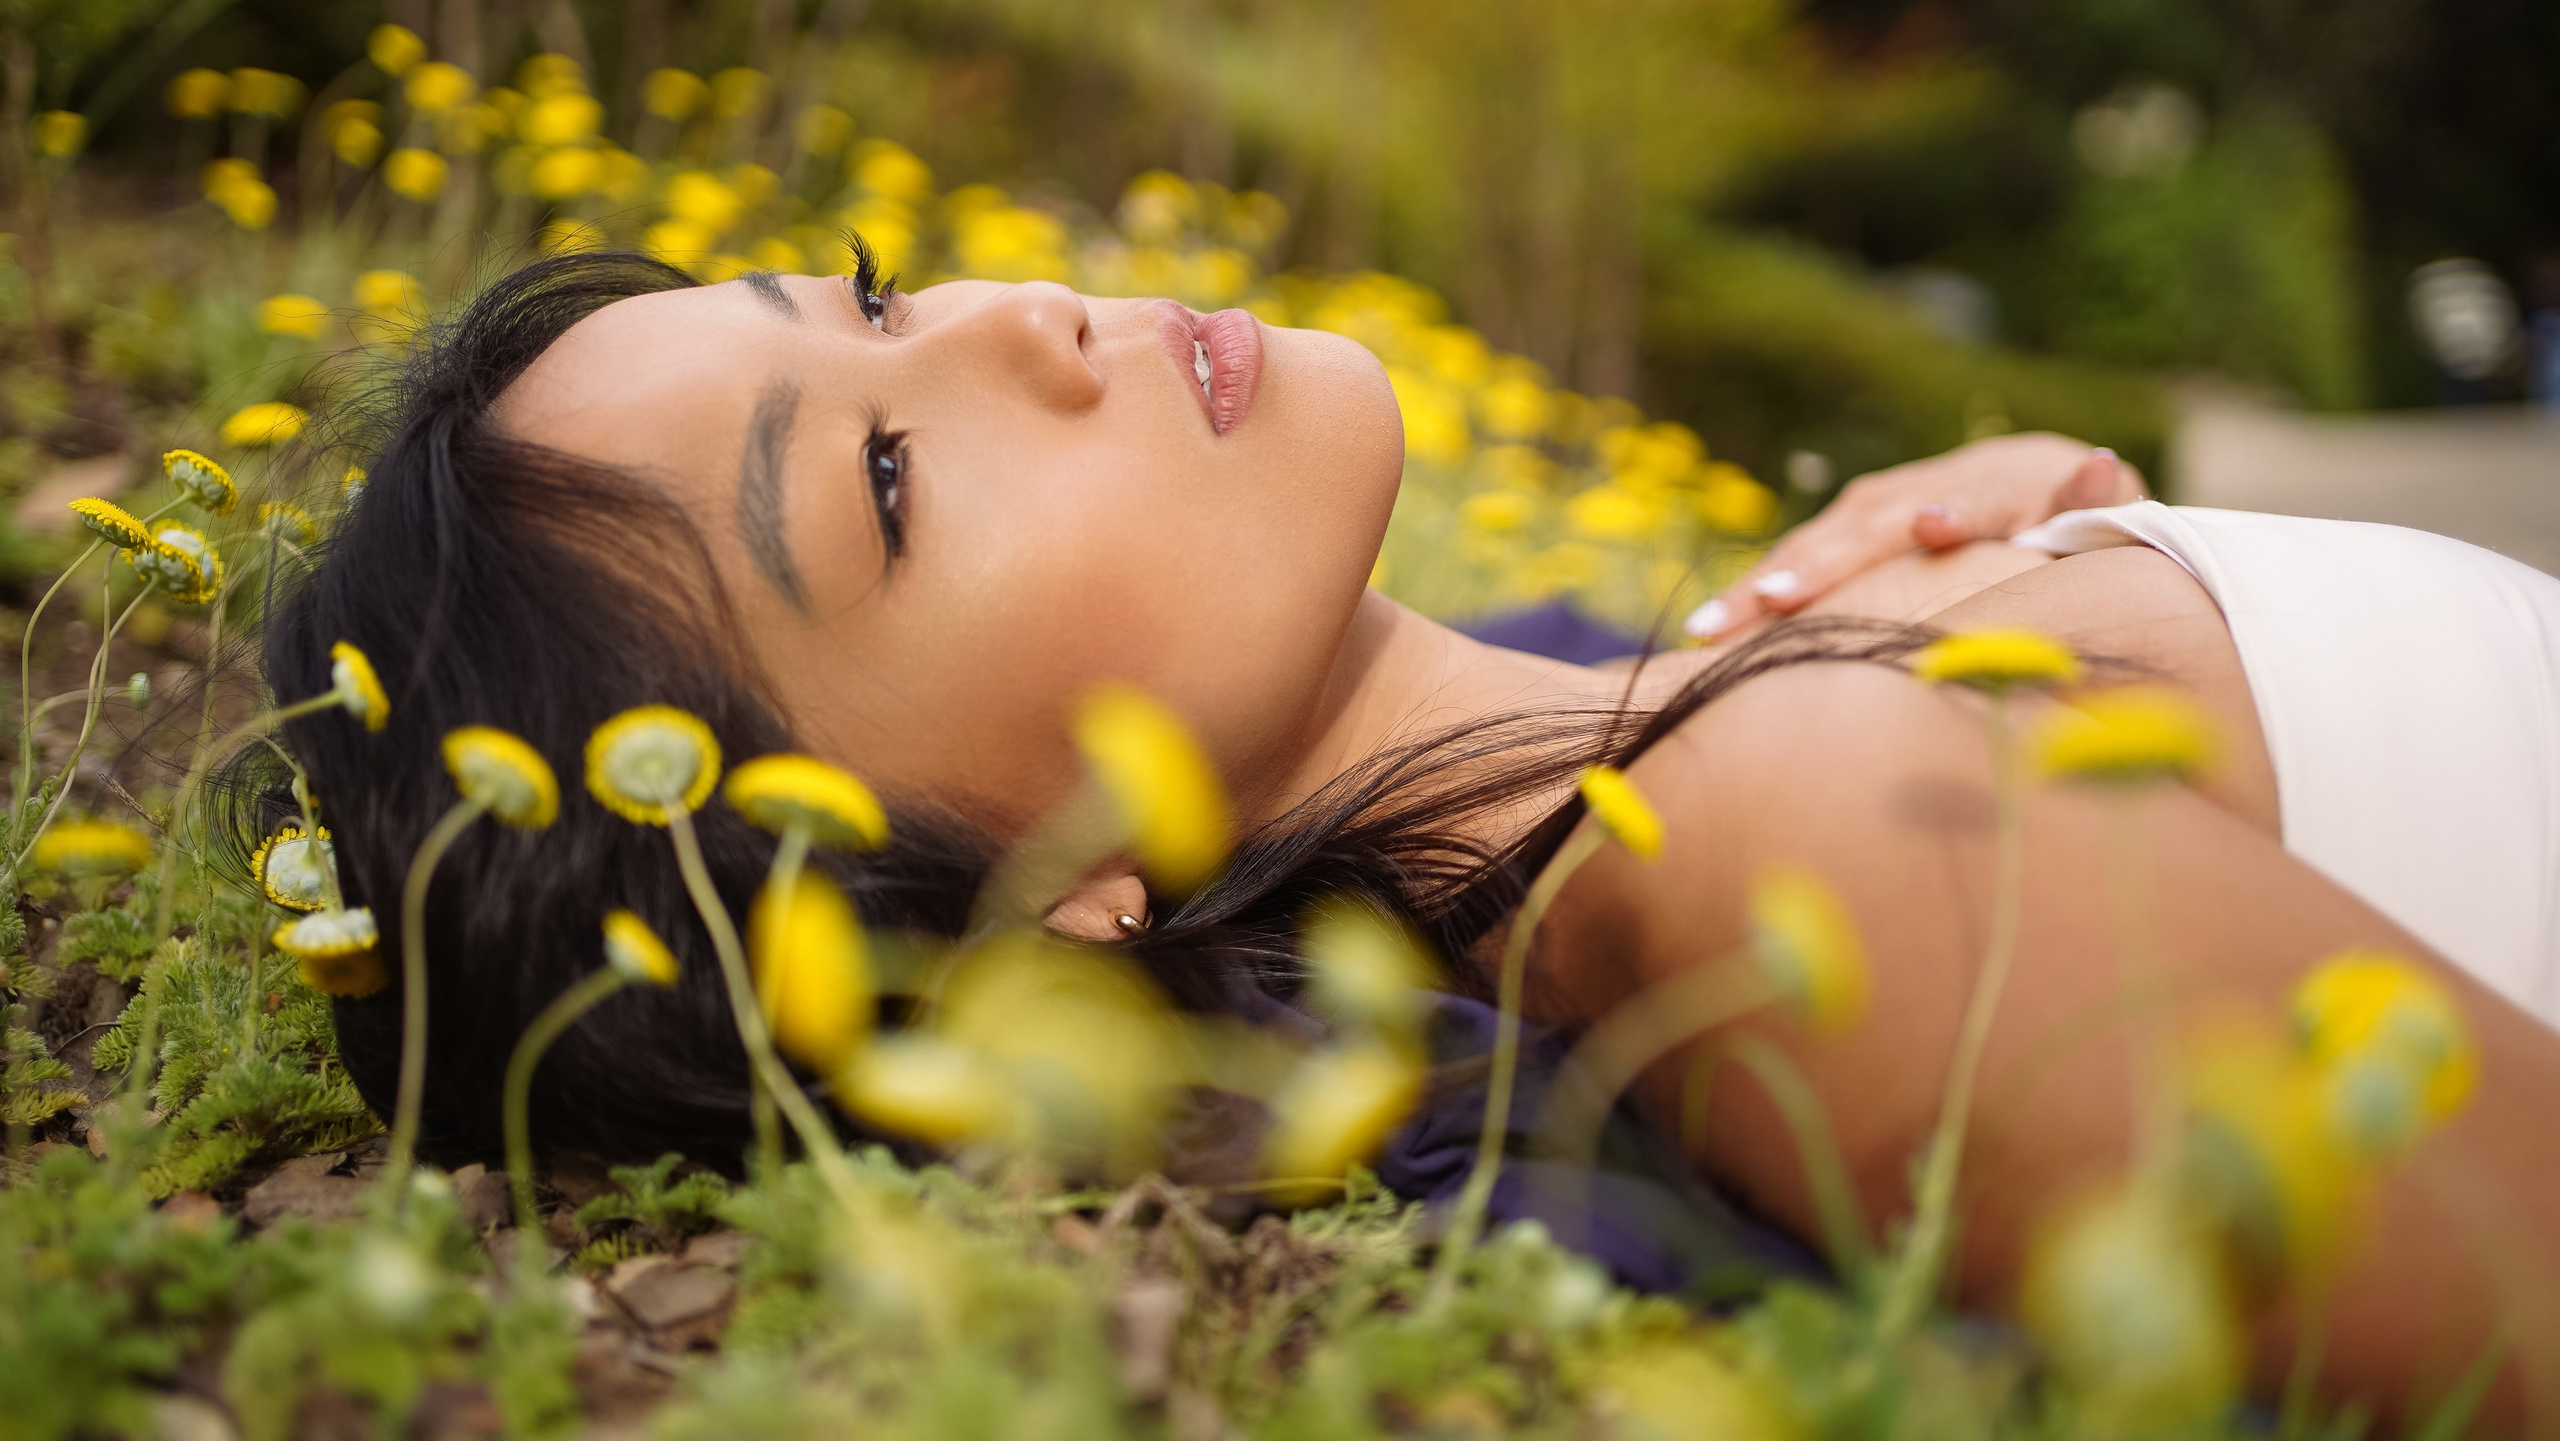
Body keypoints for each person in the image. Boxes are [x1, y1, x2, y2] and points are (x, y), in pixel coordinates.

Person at [255, 252, 2560, 1420]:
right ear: (1039, 896)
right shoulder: (1799, 862)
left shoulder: (1752, 711)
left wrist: (2052, 559)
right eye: (880, 480)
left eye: (870, 295)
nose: (1014, 317)